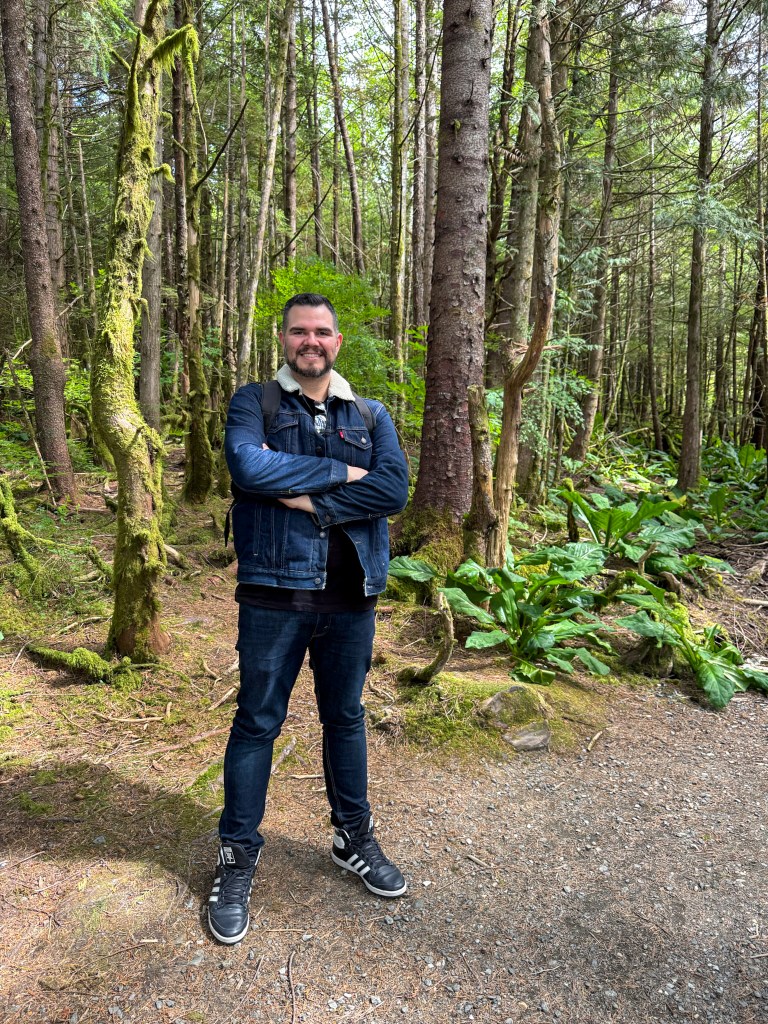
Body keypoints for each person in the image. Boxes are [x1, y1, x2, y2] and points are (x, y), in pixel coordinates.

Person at [207, 293, 410, 944]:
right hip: (273, 593)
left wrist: (308, 500)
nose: (310, 341)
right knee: (257, 723)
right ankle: (237, 857)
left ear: (338, 340)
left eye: (322, 331)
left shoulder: (371, 414)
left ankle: (354, 839)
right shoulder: (254, 404)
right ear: (285, 339)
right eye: (300, 332)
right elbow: (248, 465)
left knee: (345, 720)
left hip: (354, 599)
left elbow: (393, 489)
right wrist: (342, 472)